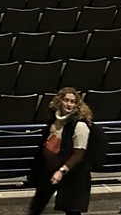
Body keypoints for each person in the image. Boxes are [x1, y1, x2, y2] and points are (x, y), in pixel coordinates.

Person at [29, 87, 94, 215]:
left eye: (72, 101)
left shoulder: (80, 125)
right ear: (60, 101)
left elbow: (78, 153)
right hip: (51, 169)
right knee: (38, 203)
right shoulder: (54, 119)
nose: (69, 104)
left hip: (71, 172)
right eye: (66, 100)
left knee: (72, 209)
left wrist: (62, 170)